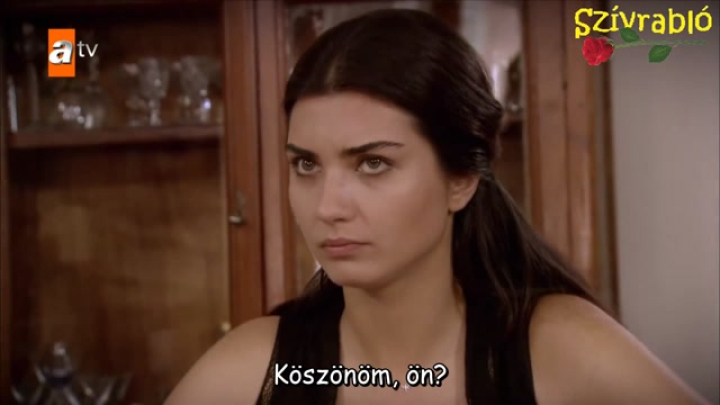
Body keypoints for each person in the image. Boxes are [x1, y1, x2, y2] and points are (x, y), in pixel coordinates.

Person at [166, 9, 708, 405]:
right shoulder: (256, 370)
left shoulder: (558, 349)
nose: (327, 207)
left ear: (461, 179)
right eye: (306, 164)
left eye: (373, 163)